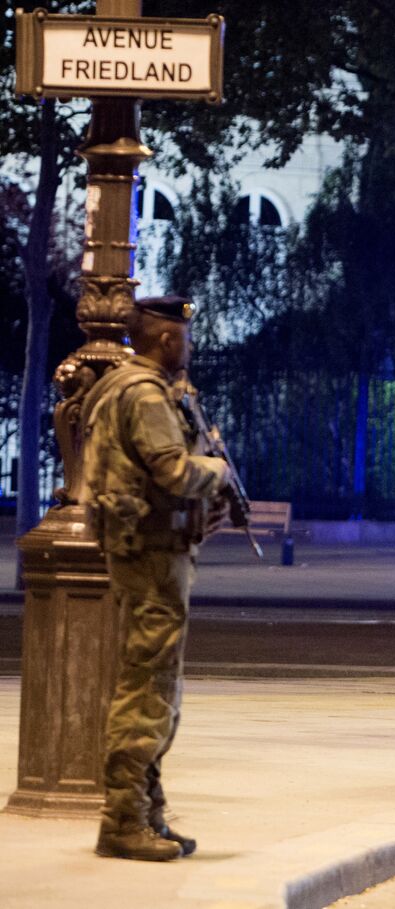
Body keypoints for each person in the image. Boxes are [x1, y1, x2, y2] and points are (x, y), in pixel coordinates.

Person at [81, 296, 230, 861]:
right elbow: (172, 470)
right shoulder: (142, 393)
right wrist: (216, 471)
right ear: (167, 340)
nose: (188, 348)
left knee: (156, 687)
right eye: (183, 338)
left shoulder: (136, 388)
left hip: (156, 551)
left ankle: (146, 813)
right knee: (145, 689)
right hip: (149, 555)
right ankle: (122, 821)